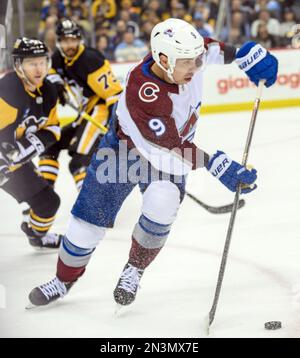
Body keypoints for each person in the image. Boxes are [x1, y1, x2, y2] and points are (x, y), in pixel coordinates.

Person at [28, 18, 278, 307]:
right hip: (125, 153)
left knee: (162, 207)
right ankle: (63, 279)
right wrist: (216, 165)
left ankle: (134, 269)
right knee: (87, 222)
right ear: (163, 59)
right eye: (187, 63)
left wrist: (248, 54)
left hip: (168, 156)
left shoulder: (188, 54)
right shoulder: (144, 91)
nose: (196, 67)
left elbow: (215, 50)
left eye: (197, 60)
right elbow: (171, 145)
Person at [40, 18, 122, 191]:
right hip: (83, 113)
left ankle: (92, 207)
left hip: (98, 112)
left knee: (79, 161)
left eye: (72, 40)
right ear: (59, 42)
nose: (69, 44)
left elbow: (114, 95)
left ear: (79, 39)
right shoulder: (58, 57)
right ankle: (43, 194)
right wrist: (57, 86)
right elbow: (52, 73)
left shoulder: (91, 60)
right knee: (50, 145)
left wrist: (114, 124)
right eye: (64, 40)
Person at [0, 38, 62, 249]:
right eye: (31, 63)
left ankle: (37, 235)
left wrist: (20, 152)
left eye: (42, 62)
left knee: (48, 203)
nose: (39, 68)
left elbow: (53, 130)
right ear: (18, 65)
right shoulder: (9, 88)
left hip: (11, 159)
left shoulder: (49, 92)